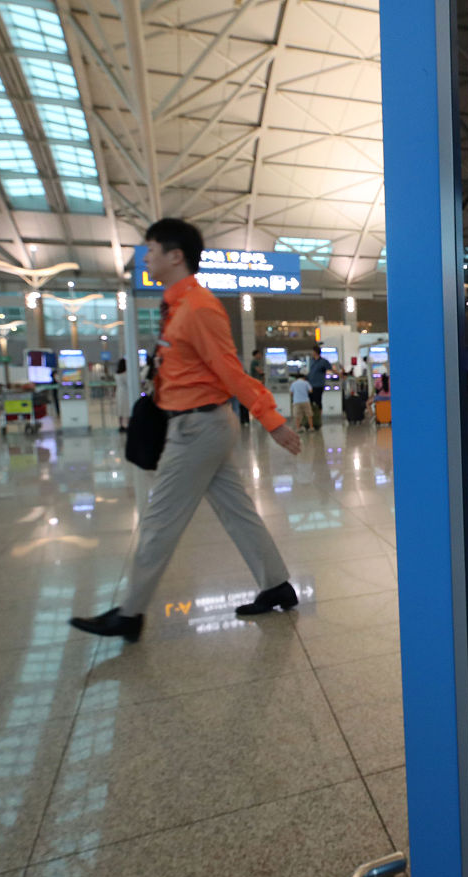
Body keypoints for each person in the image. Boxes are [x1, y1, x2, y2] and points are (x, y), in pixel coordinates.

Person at [70, 218, 303, 642]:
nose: (146, 256)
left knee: (159, 521)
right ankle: (277, 586)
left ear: (176, 256)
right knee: (237, 510)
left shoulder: (198, 308)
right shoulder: (175, 305)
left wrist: (271, 419)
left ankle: (130, 613)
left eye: (152, 249)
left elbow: (230, 370)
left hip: (199, 428)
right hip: (196, 424)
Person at [307, 348, 330, 426]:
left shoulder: (323, 361)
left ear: (316, 352)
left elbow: (330, 368)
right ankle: (311, 419)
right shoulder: (311, 361)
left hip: (319, 385)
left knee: (318, 402)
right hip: (310, 385)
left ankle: (319, 418)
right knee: (310, 402)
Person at [113, 357, 132, 432]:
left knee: (120, 409)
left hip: (119, 392)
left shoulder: (117, 374)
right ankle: (127, 424)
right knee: (126, 409)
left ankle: (121, 425)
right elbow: (128, 383)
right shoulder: (126, 374)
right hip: (125, 393)